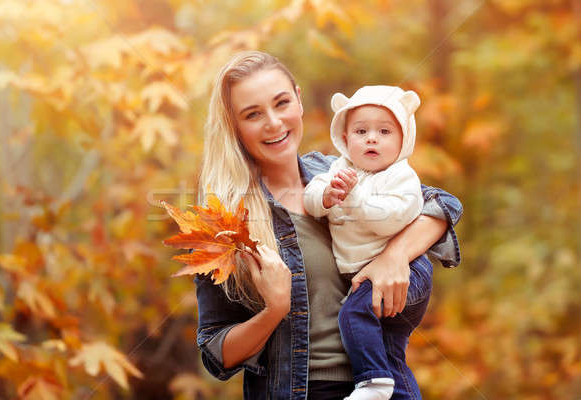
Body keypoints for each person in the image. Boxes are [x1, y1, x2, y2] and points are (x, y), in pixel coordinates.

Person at [194, 50, 462, 400]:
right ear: (234, 126)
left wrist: (394, 256)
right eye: (253, 114)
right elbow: (216, 351)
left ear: (299, 101)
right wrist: (275, 309)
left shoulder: (342, 171)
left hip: (385, 387)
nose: (274, 122)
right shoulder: (228, 219)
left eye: (281, 103)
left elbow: (441, 205)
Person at [304, 85, 430, 399]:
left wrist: (355, 197)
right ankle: (391, 387)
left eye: (384, 131)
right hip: (366, 276)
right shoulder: (339, 170)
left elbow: (393, 217)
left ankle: (372, 382)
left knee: (353, 315)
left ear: (403, 140)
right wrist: (327, 196)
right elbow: (309, 197)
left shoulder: (400, 177)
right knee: (388, 354)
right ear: (345, 139)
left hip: (405, 273)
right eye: (361, 131)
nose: (371, 138)